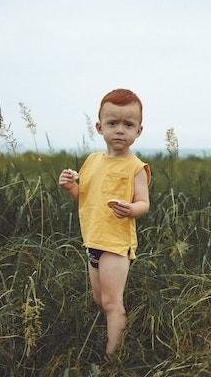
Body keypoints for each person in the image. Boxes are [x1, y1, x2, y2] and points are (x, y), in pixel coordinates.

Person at [58, 88, 151, 357]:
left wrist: (131, 208)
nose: (120, 130)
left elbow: (144, 203)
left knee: (112, 302)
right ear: (100, 127)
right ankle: (115, 335)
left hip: (115, 244)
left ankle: (113, 358)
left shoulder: (135, 167)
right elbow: (84, 197)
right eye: (113, 123)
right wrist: (70, 187)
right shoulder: (92, 161)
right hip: (93, 241)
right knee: (99, 299)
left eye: (128, 125)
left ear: (139, 130)